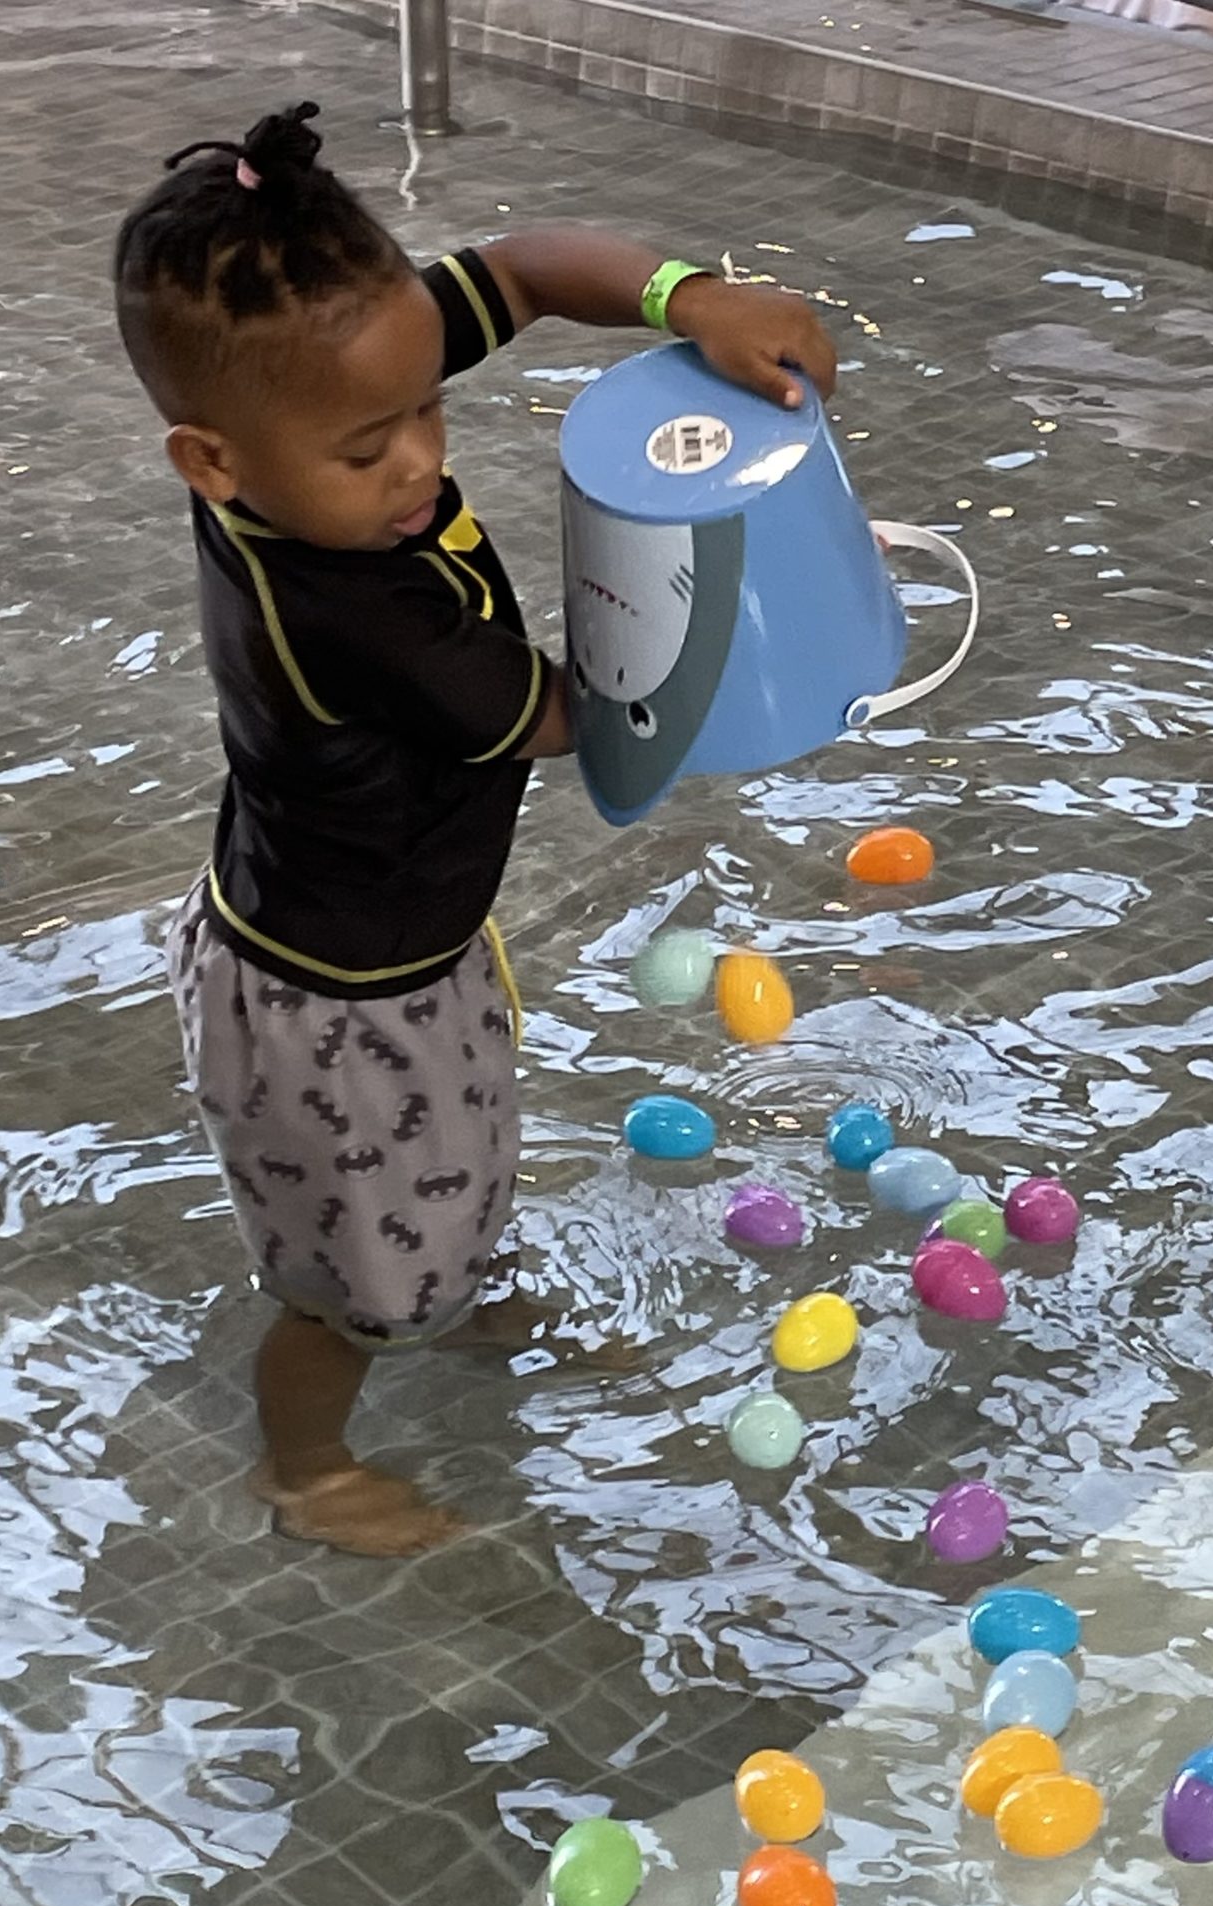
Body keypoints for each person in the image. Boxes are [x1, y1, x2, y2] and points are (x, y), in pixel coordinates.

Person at [113, 101, 837, 1557]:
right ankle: (305, 1464)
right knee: (342, 1289)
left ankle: (458, 1292)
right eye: (369, 445)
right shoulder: (344, 612)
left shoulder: (310, 414)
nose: (418, 464)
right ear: (213, 463)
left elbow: (517, 267)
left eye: (429, 407)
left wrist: (683, 300)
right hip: (326, 1005)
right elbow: (578, 713)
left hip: (397, 941)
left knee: (438, 1186)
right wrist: (724, 588)